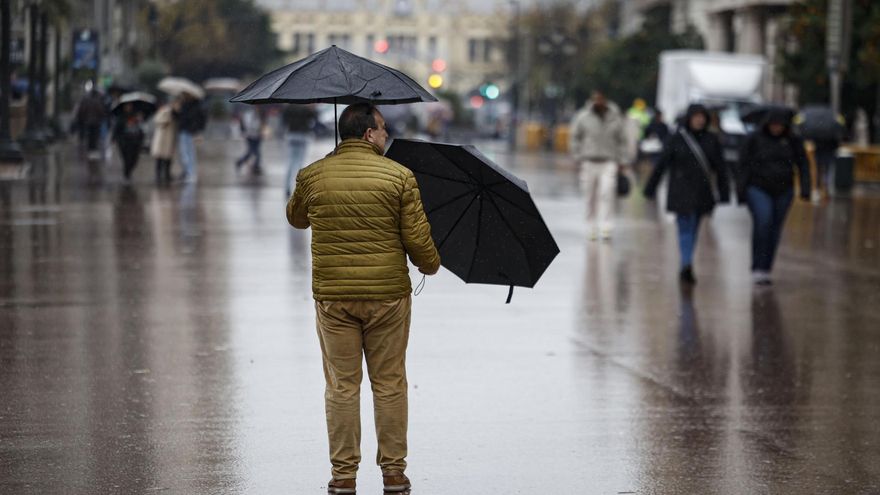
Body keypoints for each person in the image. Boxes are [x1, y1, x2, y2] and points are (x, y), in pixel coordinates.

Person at [287, 103, 440, 495]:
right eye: (384, 129)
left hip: (334, 297)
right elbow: (418, 241)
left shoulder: (312, 174)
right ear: (369, 133)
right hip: (388, 297)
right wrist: (430, 265)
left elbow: (296, 218)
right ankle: (394, 473)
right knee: (389, 384)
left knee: (342, 387)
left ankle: (343, 476)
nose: (387, 135)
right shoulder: (399, 176)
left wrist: (316, 181)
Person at [643, 104, 730, 284]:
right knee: (685, 227)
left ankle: (687, 261)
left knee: (694, 227)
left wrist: (724, 192)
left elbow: (721, 168)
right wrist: (650, 188)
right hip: (681, 190)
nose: (699, 120)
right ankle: (686, 264)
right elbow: (662, 164)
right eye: (696, 116)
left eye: (702, 117)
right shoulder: (677, 139)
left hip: (702, 192)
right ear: (689, 118)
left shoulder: (712, 139)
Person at [737, 108, 811, 286]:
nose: (776, 128)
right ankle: (757, 267)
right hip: (758, 187)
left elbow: (803, 164)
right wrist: (741, 191)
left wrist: (806, 189)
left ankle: (766, 267)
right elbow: (743, 165)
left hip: (784, 190)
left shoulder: (793, 141)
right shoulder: (754, 139)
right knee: (763, 222)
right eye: (774, 124)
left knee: (774, 229)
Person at [569, 90, 628, 240]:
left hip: (609, 161)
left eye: (601, 98)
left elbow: (622, 140)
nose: (598, 101)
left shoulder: (615, 117)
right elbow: (575, 137)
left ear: (605, 100)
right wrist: (577, 156)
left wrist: (622, 161)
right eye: (595, 99)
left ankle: (606, 227)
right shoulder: (583, 117)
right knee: (590, 196)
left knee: (607, 193)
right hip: (588, 161)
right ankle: (591, 226)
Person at [282, 104, 317, 196]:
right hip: (303, 135)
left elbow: (284, 121)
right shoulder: (307, 109)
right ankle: (299, 187)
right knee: (301, 163)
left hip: (291, 135)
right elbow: (314, 119)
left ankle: (287, 188)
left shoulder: (289, 108)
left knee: (291, 162)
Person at [173, 93, 206, 183]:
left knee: (189, 153)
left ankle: (190, 173)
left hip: (189, 132)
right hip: (183, 131)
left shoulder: (195, 106)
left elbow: (200, 119)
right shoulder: (184, 105)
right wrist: (175, 111)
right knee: (185, 153)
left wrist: (197, 130)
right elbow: (179, 118)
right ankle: (188, 172)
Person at [112, 102, 145, 182]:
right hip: (125, 142)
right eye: (127, 106)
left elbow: (141, 129)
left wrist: (140, 120)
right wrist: (114, 139)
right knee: (127, 159)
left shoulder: (137, 116)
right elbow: (117, 129)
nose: (128, 107)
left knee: (134, 159)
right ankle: (127, 175)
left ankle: (128, 172)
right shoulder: (121, 117)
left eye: (130, 106)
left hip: (136, 141)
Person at [74, 88, 108, 160]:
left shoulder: (87, 101)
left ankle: (90, 149)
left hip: (88, 121)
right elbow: (101, 111)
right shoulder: (97, 101)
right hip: (96, 122)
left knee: (90, 135)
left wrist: (83, 118)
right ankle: (93, 150)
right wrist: (102, 116)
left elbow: (82, 110)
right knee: (95, 135)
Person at [150, 100, 177, 184]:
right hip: (161, 138)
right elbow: (157, 120)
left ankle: (167, 174)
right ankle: (158, 175)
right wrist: (165, 121)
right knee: (159, 157)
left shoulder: (176, 113)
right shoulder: (164, 111)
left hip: (170, 137)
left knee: (168, 157)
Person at [235, 107, 266, 175]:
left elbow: (261, 125)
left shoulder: (260, 115)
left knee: (252, 152)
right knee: (255, 152)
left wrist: (261, 131)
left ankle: (240, 163)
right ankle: (255, 167)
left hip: (257, 136)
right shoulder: (249, 115)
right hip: (250, 136)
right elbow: (248, 126)